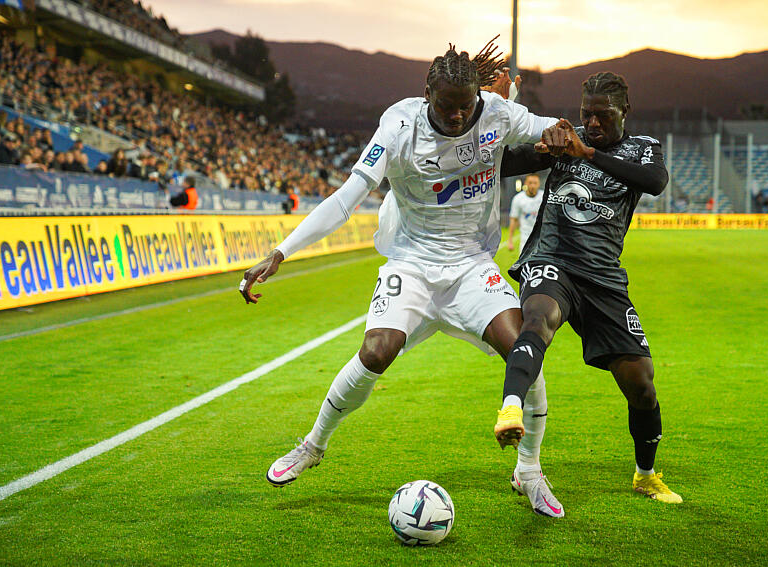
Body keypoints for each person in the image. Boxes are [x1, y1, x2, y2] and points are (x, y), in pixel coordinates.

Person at [240, 40, 566, 517]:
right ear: (426, 93)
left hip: (472, 266)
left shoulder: (496, 113)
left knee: (523, 350)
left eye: (466, 106)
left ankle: (529, 471)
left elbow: (551, 128)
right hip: (411, 264)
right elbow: (346, 198)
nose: (457, 116)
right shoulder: (398, 127)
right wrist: (281, 251)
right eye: (446, 106)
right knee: (375, 350)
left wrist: (561, 133)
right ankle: (311, 446)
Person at [494, 71, 682, 504]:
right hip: (552, 259)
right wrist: (511, 126)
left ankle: (646, 476)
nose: (592, 123)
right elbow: (504, 165)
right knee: (539, 318)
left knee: (641, 383)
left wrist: (589, 151)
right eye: (586, 116)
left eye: (603, 115)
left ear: (624, 112)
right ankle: (510, 408)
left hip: (603, 277)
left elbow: (654, 182)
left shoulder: (642, 147)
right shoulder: (564, 139)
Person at [507, 173, 543, 254]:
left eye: (535, 183)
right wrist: (510, 240)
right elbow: (513, 219)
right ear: (525, 183)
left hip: (542, 238)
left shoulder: (544, 197)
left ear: (539, 184)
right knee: (523, 264)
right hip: (525, 238)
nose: (532, 186)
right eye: (530, 183)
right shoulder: (518, 199)